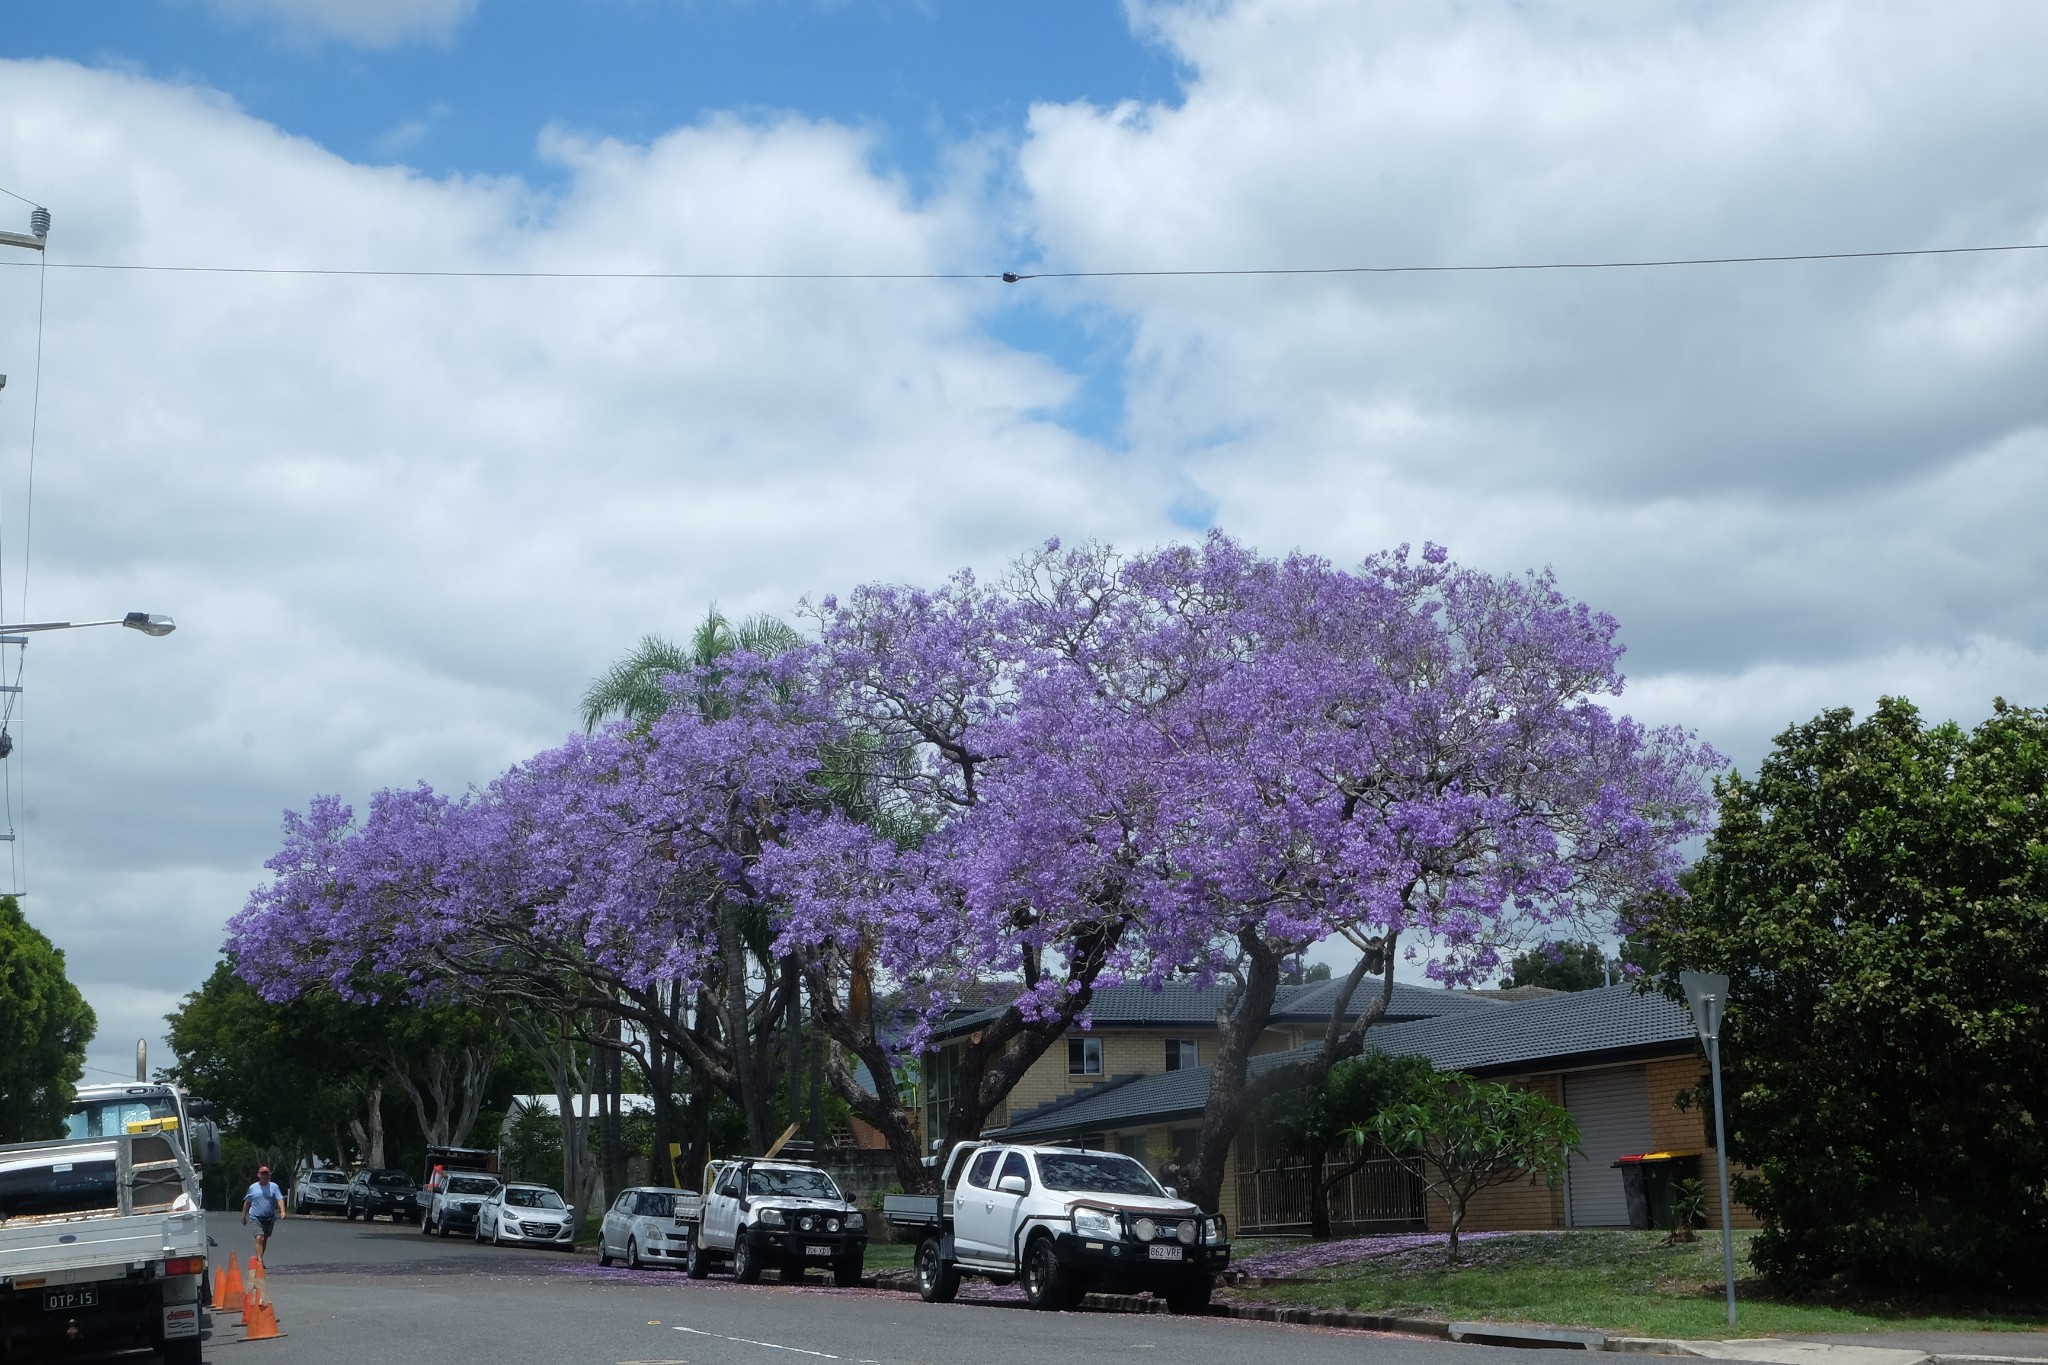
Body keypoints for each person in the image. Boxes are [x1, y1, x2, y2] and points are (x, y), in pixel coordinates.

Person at [242, 1165, 287, 1262]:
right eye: (262, 1174)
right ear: (258, 1175)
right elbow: (247, 1202)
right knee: (259, 1237)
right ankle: (259, 1260)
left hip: (269, 1218)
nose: (264, 1176)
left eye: (266, 1174)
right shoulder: (253, 1188)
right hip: (255, 1217)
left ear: (268, 1176)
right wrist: (244, 1216)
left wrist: (282, 1211)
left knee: (264, 1239)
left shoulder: (274, 1187)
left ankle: (259, 1258)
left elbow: (280, 1199)